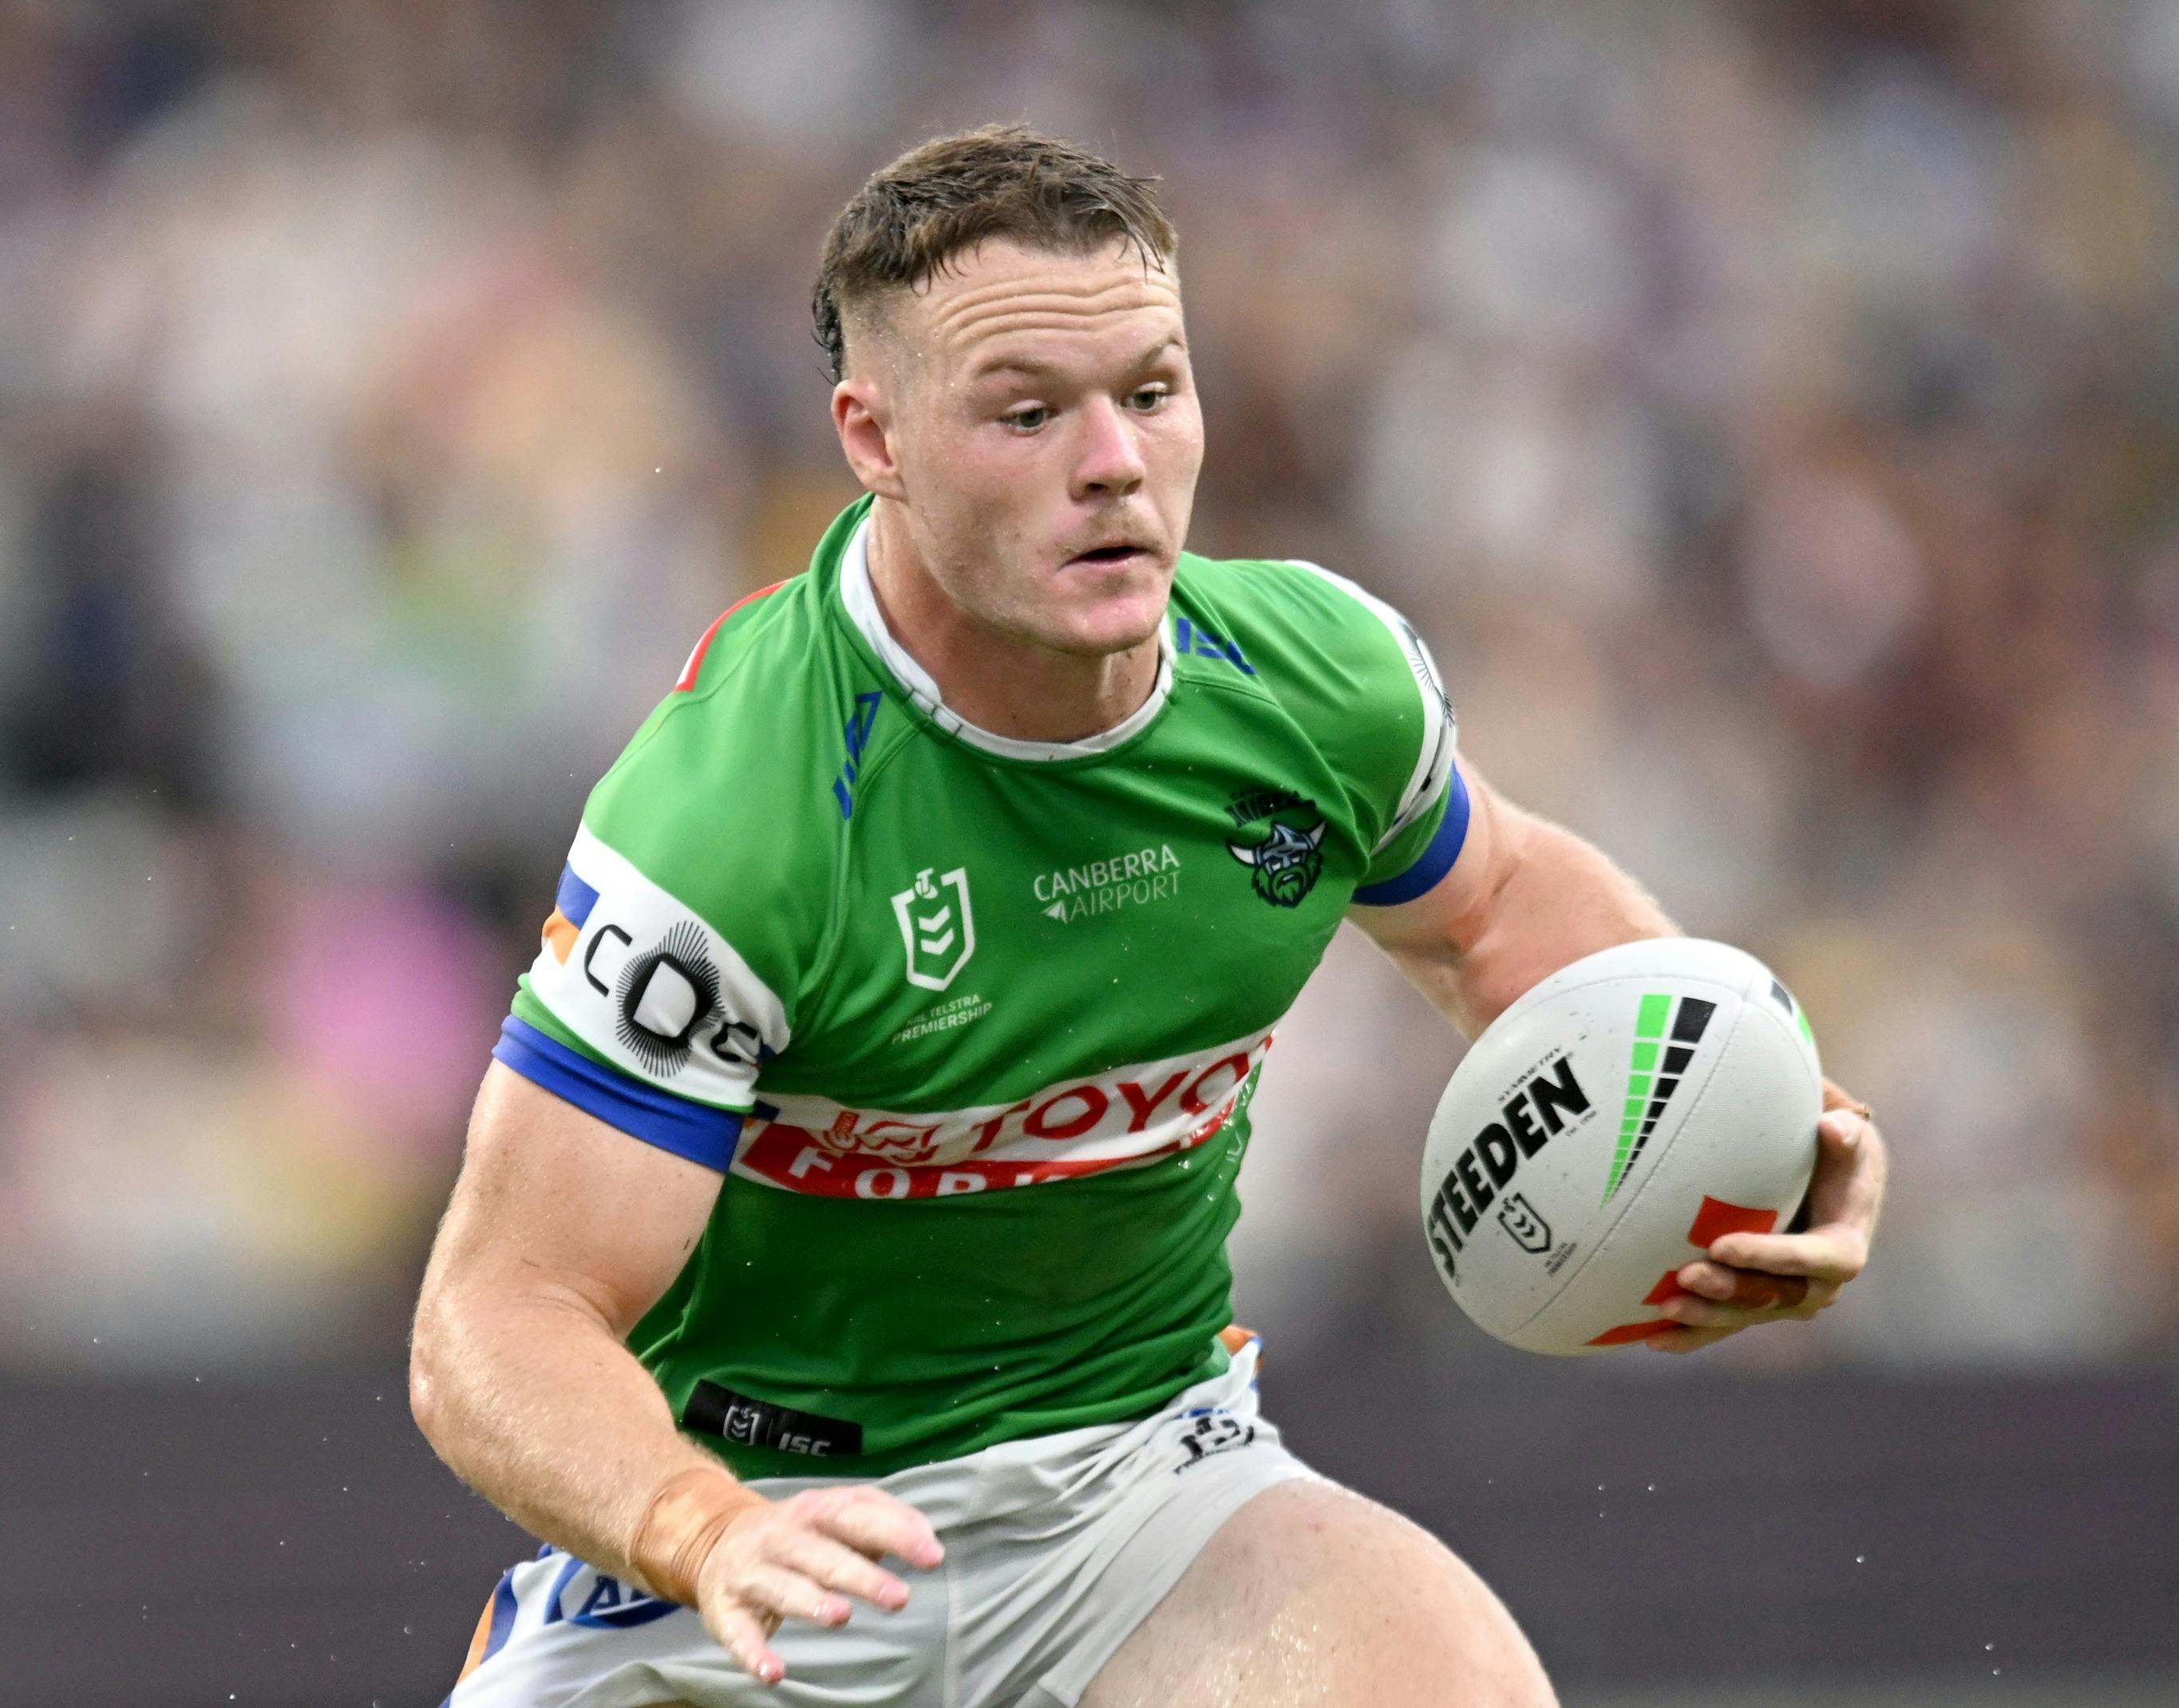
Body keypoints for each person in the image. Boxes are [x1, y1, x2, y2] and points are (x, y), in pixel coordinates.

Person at [409, 124, 1888, 1708]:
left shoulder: (1318, 683)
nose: (1111, 459)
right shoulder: (735, 818)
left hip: (1143, 1483)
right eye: (1028, 411)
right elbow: (495, 1314)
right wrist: (691, 1521)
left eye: (1153, 390)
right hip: (753, 1542)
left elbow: (1496, 907)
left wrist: (1753, 1109)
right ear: (875, 436)